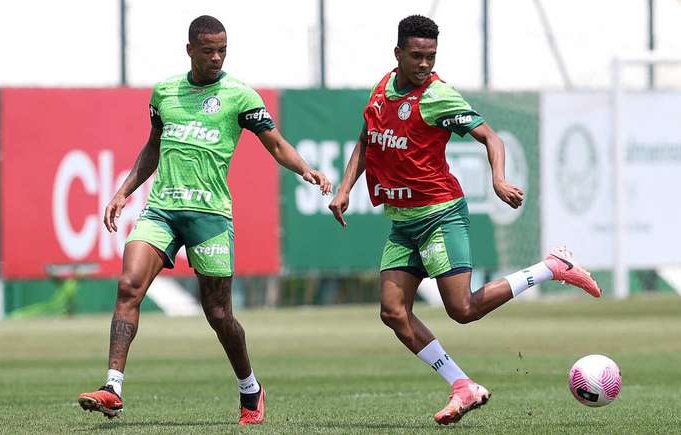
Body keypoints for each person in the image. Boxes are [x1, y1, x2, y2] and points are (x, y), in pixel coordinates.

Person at [328, 15, 600, 426]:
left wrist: (499, 178)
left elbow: (491, 136)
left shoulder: (439, 97)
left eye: (431, 56)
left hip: (439, 215)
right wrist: (345, 188)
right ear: (397, 53)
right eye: (416, 56)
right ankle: (463, 386)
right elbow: (367, 141)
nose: (424, 64)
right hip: (403, 223)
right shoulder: (382, 89)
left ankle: (551, 267)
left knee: (462, 309)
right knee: (392, 311)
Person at [78, 15, 332, 425]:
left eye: (223, 51)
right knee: (128, 286)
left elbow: (277, 145)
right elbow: (153, 148)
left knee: (218, 314)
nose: (216, 58)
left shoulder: (240, 96)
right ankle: (112, 388)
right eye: (209, 50)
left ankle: (250, 388)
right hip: (162, 209)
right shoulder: (164, 93)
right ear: (190, 49)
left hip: (210, 216)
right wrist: (124, 191)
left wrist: (307, 170)